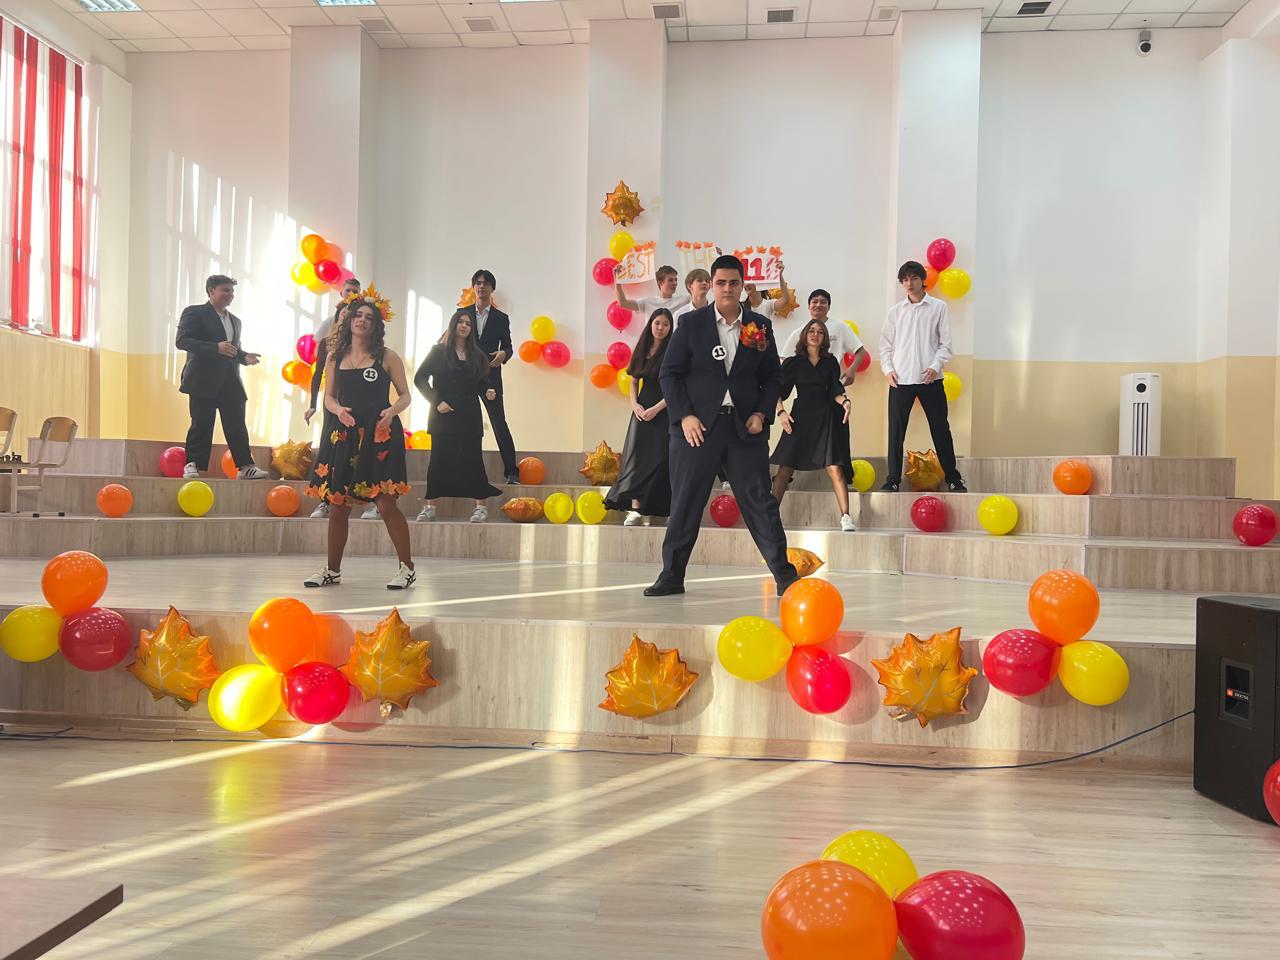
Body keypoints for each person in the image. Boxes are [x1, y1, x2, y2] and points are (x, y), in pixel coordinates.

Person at [645, 254, 798, 597]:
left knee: (760, 502)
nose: (727, 288)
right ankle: (671, 576)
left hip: (744, 430)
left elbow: (773, 377)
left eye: (733, 283)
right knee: (685, 502)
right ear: (711, 286)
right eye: (720, 283)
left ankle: (785, 576)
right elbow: (669, 374)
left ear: (742, 286)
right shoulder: (690, 323)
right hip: (696, 431)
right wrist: (684, 415)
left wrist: (761, 413)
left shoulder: (759, 325)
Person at [302, 298, 416, 590]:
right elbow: (329, 397)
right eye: (358, 315)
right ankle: (332, 570)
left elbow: (405, 395)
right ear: (349, 320)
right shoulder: (334, 356)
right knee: (338, 505)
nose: (362, 320)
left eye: (369, 317)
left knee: (386, 503)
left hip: (380, 435)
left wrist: (391, 412)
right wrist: (338, 410)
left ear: (376, 325)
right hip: (345, 435)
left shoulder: (387, 356)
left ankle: (407, 568)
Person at [879, 261, 966, 493]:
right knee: (896, 433)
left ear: (922, 280)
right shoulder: (895, 312)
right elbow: (885, 346)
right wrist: (888, 370)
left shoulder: (939, 307)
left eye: (914, 278)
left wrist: (935, 366)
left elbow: (946, 345)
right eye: (905, 279)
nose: (909, 283)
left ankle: (954, 478)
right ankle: (893, 479)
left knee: (940, 429)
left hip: (931, 380)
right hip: (900, 381)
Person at [175, 275, 268, 480]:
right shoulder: (195, 312)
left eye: (232, 291)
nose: (230, 295)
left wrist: (244, 356)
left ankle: (246, 466)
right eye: (225, 290)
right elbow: (182, 341)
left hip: (230, 381)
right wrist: (215, 348)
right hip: (202, 380)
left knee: (237, 425)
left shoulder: (236, 321)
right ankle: (192, 464)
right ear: (211, 291)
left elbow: (232, 349)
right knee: (201, 423)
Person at [414, 310, 502, 523]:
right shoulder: (438, 351)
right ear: (453, 325)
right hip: (443, 416)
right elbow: (420, 378)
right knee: (438, 461)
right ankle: (429, 507)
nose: (464, 326)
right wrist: (436, 401)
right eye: (460, 322)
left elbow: (482, 383)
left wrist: (488, 391)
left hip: (469, 415)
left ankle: (480, 508)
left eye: (468, 324)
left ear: (471, 329)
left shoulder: (477, 355)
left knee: (474, 461)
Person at [771, 319, 856, 532]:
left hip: (826, 417)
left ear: (825, 337)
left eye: (820, 332)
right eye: (811, 330)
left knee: (834, 467)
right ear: (804, 335)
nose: (815, 334)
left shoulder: (830, 362)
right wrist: (781, 412)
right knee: (785, 467)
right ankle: (770, 517)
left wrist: (845, 402)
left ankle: (846, 517)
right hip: (800, 417)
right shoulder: (793, 363)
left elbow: (835, 390)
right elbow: (778, 392)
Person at [604, 308, 673, 526]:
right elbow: (634, 381)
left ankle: (659, 509)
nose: (660, 328)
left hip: (664, 411)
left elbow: (676, 387)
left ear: (670, 328)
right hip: (641, 412)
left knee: (661, 460)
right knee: (638, 459)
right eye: (657, 323)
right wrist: (635, 405)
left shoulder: (673, 350)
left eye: (665, 324)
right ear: (651, 324)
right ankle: (635, 510)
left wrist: (657, 409)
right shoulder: (642, 349)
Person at [461, 269, 519, 484]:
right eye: (477, 282)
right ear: (473, 287)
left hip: (490, 378)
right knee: (464, 424)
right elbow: (453, 342)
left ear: (492, 288)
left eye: (485, 283)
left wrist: (504, 354)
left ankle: (512, 472)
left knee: (499, 423)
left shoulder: (501, 318)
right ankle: (463, 471)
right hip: (465, 377)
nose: (481, 286)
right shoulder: (463, 314)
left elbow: (508, 347)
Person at [615, 263, 691, 318]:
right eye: (670, 280)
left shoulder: (683, 300)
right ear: (660, 283)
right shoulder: (648, 302)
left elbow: (697, 298)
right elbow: (623, 303)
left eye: (675, 280)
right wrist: (617, 280)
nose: (675, 283)